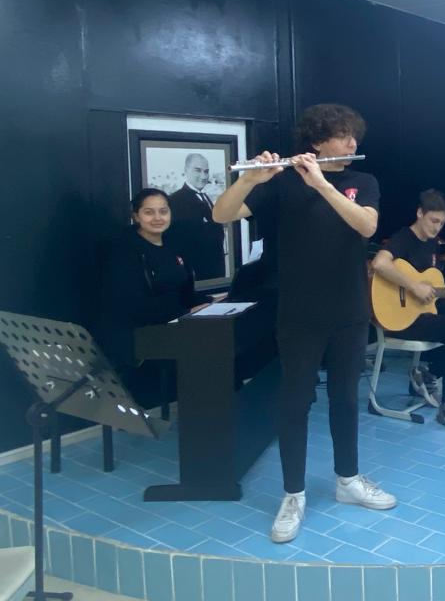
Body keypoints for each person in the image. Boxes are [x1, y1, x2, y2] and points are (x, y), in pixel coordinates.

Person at [212, 103, 396, 544]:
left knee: (345, 398)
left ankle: (348, 479)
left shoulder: (363, 181)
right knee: (294, 403)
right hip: (298, 314)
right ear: (316, 141)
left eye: (354, 135)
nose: (352, 143)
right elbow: (222, 214)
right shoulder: (281, 183)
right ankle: (293, 494)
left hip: (349, 312)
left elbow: (366, 227)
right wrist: (251, 179)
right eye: (343, 135)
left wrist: (323, 185)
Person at [370, 189, 445, 432]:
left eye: (442, 223)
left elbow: (435, 291)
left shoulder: (432, 245)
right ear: (420, 213)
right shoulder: (404, 237)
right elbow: (379, 263)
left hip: (424, 314)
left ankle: (428, 373)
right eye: (433, 221)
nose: (437, 227)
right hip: (401, 318)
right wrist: (413, 286)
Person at [98, 188, 211, 404]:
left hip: (174, 323)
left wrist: (210, 302)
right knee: (207, 347)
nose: (158, 218)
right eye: (149, 212)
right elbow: (132, 306)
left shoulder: (173, 246)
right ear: (136, 216)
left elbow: (183, 292)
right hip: (140, 333)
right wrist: (185, 312)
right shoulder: (124, 252)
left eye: (163, 211)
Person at [165, 153, 226, 280]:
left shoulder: (205, 197)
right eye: (198, 170)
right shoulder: (175, 200)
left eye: (206, 171)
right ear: (186, 170)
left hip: (215, 272)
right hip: (195, 275)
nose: (203, 176)